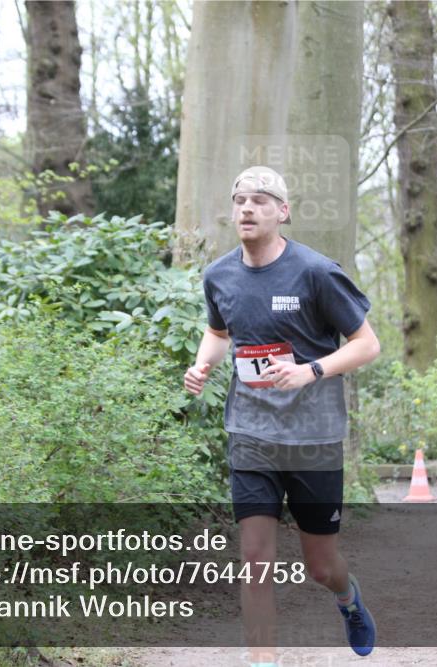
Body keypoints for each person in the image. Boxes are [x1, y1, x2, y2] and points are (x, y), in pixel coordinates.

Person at [183, 166, 381, 666]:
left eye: (261, 200)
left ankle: (348, 598)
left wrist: (310, 370)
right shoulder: (219, 275)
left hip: (313, 437)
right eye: (240, 200)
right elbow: (219, 331)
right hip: (251, 432)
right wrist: (203, 363)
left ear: (283, 212)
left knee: (321, 566)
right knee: (254, 560)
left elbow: (367, 345)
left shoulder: (315, 272)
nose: (247, 208)